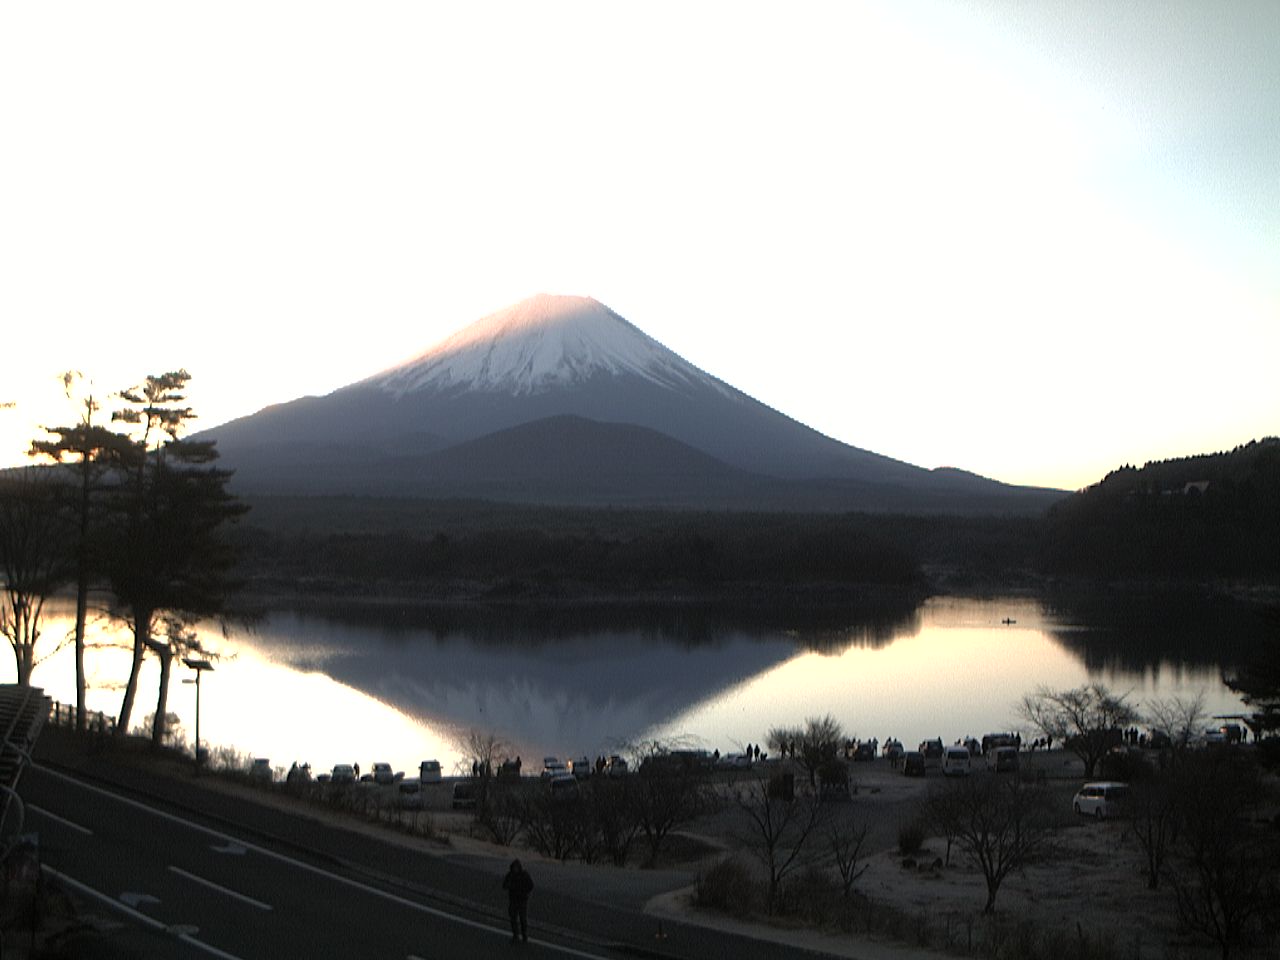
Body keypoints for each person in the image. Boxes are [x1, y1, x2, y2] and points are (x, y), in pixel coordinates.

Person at [503, 858, 534, 943]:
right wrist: (510, 886)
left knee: (522, 919)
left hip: (522, 900)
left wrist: (523, 891)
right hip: (513, 900)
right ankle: (515, 935)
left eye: (516, 868)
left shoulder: (524, 875)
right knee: (513, 918)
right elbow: (504, 885)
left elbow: (530, 885)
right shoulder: (510, 875)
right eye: (514, 868)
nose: (515, 869)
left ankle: (524, 935)